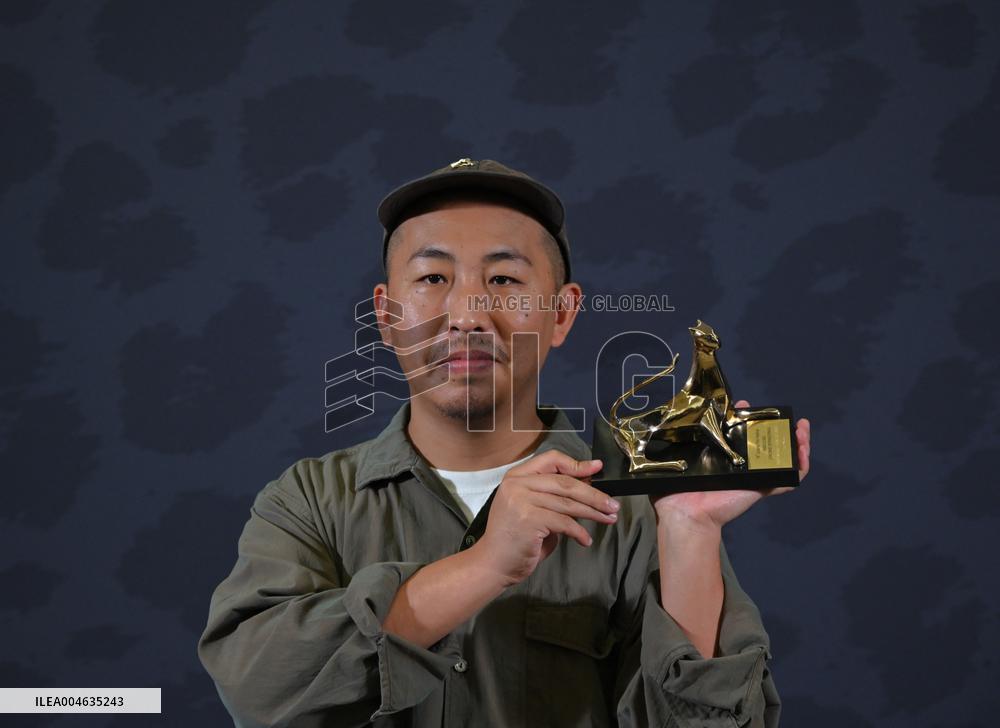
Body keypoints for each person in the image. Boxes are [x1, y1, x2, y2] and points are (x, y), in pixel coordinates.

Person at [197, 158, 811, 727]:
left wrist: (690, 532)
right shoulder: (309, 501)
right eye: (433, 276)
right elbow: (260, 689)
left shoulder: (634, 510)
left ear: (562, 313)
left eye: (505, 278)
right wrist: (486, 564)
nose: (467, 312)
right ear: (386, 317)